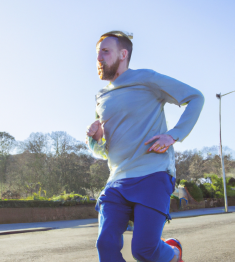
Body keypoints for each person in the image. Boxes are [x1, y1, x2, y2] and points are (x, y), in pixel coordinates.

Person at [86, 31, 204, 262]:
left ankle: (173, 253)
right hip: (117, 180)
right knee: (105, 244)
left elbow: (195, 97)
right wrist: (96, 139)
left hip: (153, 175)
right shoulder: (101, 97)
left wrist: (173, 136)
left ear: (123, 54)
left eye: (105, 51)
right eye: (97, 53)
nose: (99, 57)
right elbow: (102, 151)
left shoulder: (146, 79)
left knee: (144, 250)